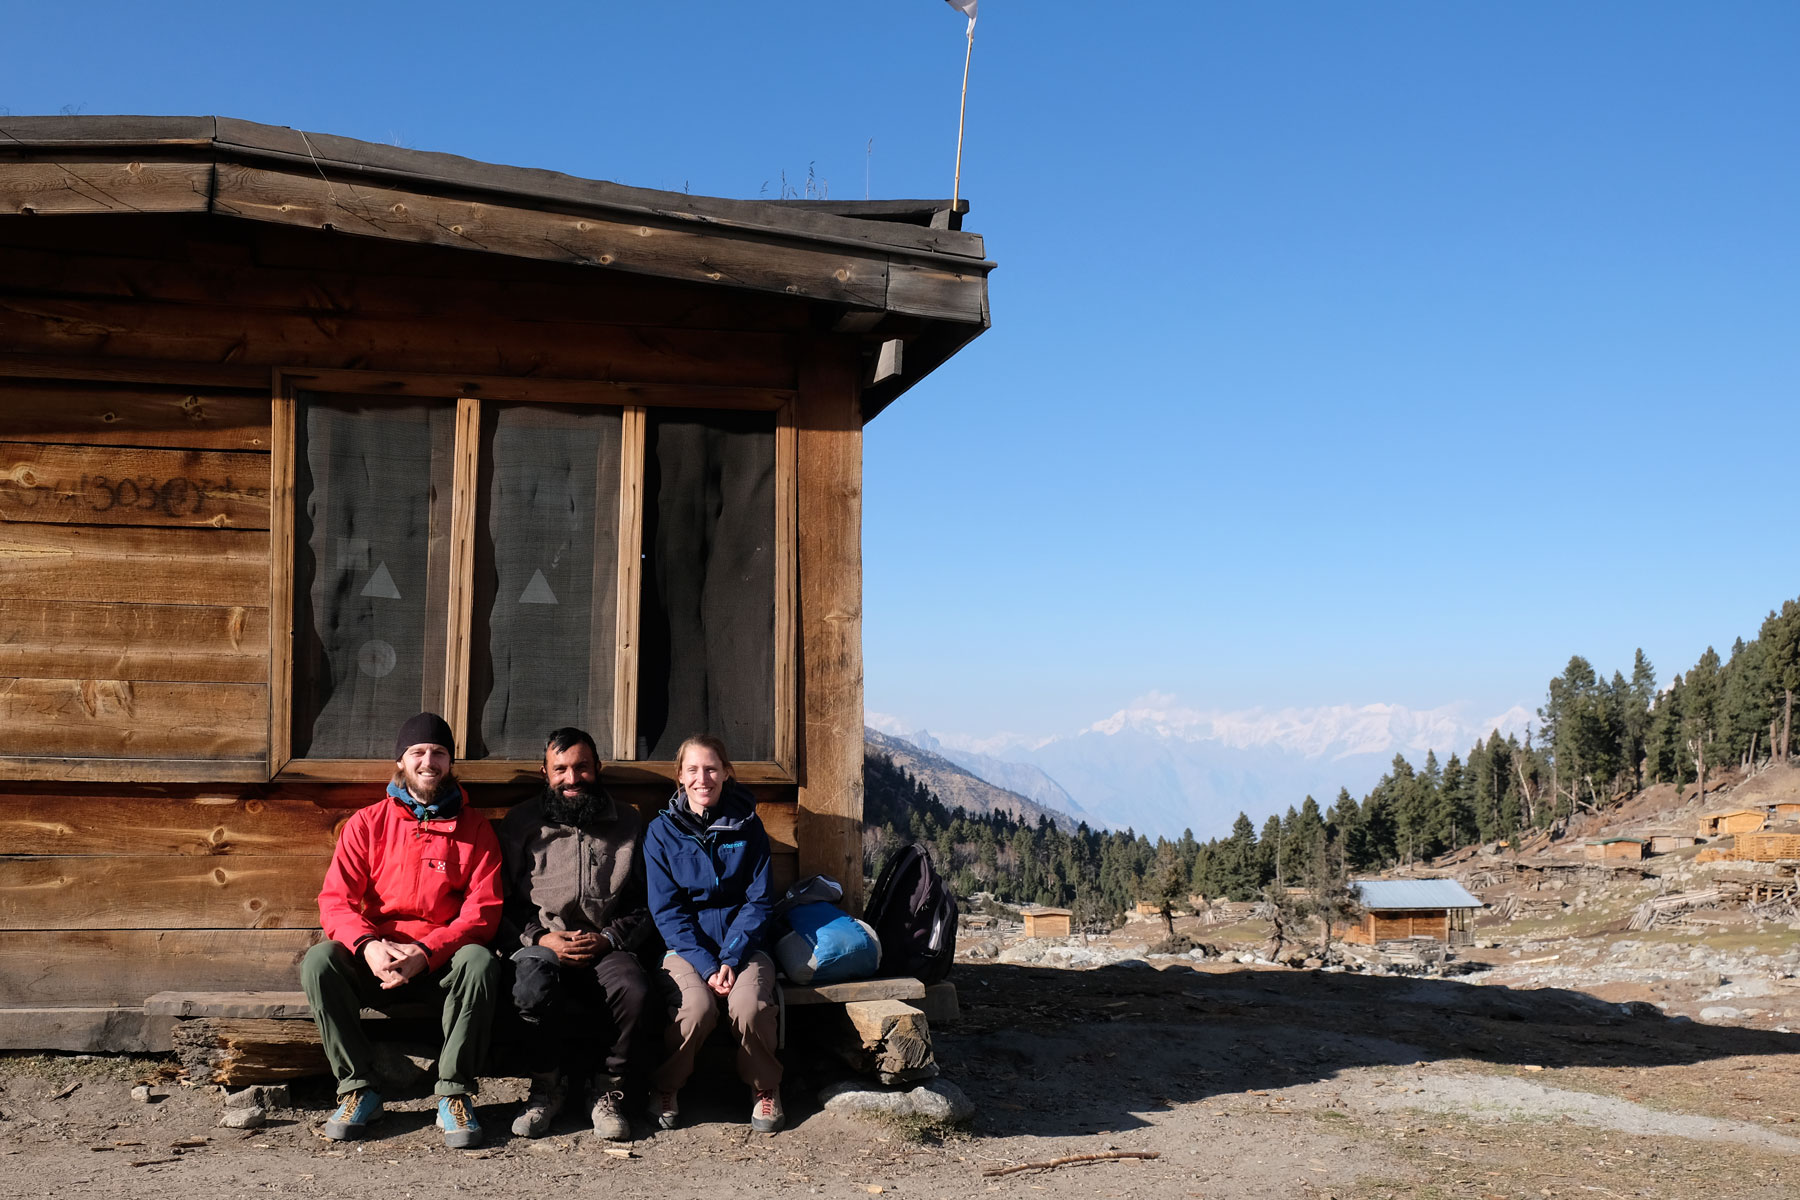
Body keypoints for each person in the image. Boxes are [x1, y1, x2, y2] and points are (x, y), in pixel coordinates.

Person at [298, 712, 503, 1149]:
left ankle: (454, 1092)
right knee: (319, 961)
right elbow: (336, 901)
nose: (429, 761)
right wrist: (368, 945)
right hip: (377, 960)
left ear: (450, 762)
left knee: (480, 961)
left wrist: (426, 952)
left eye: (439, 753)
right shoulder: (367, 824)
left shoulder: (475, 828)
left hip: (438, 964)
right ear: (401, 761)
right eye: (418, 752)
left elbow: (482, 913)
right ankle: (358, 1090)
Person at [496, 727, 651, 1141]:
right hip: (542, 942)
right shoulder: (522, 822)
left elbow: (643, 901)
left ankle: (606, 1090)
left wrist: (610, 939)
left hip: (605, 942)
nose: (572, 778)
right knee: (530, 986)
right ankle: (546, 1087)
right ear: (544, 771)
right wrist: (538, 938)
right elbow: (503, 900)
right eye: (560, 768)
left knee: (632, 988)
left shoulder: (629, 822)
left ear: (597, 768)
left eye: (582, 767)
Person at [644, 734, 784, 1133]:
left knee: (750, 1007)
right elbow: (666, 911)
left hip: (746, 947)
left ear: (726, 774)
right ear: (679, 777)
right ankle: (667, 1087)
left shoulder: (749, 826)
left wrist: (731, 957)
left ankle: (764, 1089)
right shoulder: (660, 832)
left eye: (710, 769)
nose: (702, 778)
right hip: (685, 949)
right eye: (693, 770)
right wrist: (708, 965)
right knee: (697, 1009)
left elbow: (759, 902)